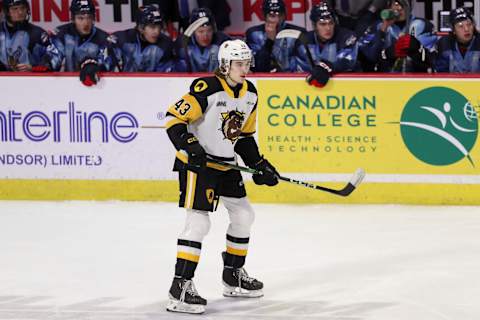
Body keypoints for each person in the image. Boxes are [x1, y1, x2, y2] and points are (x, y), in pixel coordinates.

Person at [164, 39, 279, 314]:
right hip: (199, 166)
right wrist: (190, 147)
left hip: (226, 164)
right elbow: (172, 119)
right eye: (239, 63)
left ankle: (233, 275)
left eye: (247, 63)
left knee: (243, 215)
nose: (244, 69)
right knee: (199, 224)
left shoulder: (250, 93)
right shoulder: (208, 88)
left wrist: (259, 164)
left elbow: (243, 137)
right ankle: (180, 287)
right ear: (225, 65)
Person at [285, 3, 359, 88]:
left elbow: (346, 61)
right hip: (312, 88)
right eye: (322, 24)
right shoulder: (304, 40)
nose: (328, 28)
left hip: (348, 86)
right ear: (314, 25)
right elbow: (297, 68)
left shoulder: (347, 36)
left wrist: (325, 67)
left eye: (331, 23)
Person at [359, 0, 437, 72]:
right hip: (385, 80)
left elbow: (431, 61)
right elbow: (369, 58)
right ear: (389, 6)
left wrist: (416, 47)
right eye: (396, 4)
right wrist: (383, 30)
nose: (399, 8)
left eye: (403, 5)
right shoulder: (378, 26)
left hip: (415, 79)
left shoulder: (422, 25)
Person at [51, 0, 116, 86]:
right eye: (80, 18)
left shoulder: (103, 38)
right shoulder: (62, 34)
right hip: (66, 85)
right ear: (73, 19)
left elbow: (107, 65)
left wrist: (94, 65)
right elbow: (54, 59)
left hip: (96, 85)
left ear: (93, 18)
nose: (86, 23)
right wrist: (46, 62)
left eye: (89, 17)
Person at [0, 0, 60, 72]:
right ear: (7, 12)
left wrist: (33, 68)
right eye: (15, 8)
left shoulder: (38, 33)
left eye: (23, 8)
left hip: (32, 80)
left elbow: (55, 58)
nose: (20, 12)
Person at [246, 0, 305, 72]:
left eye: (280, 15)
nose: (276, 19)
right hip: (263, 78)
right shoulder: (254, 34)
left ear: (284, 15)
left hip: (291, 77)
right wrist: (269, 41)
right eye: (272, 15)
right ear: (264, 16)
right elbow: (257, 67)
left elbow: (305, 65)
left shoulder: (298, 33)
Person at [112, 5, 175, 72]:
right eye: (152, 27)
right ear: (140, 28)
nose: (157, 31)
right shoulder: (122, 39)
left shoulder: (166, 45)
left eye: (159, 27)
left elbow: (166, 76)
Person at [174, 7, 230, 72]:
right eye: (201, 31)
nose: (205, 36)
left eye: (209, 31)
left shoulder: (223, 41)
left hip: (216, 80)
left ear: (214, 30)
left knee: (215, 51)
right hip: (189, 81)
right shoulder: (182, 43)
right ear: (193, 31)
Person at [435, 7, 480, 73]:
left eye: (469, 24)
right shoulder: (444, 43)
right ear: (453, 30)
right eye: (461, 26)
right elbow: (440, 73)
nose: (466, 29)